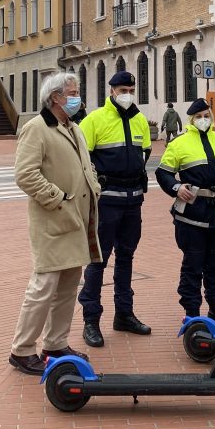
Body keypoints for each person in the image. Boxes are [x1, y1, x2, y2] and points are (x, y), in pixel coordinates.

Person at [8, 72, 101, 375]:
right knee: (44, 285)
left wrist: (93, 186)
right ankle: (22, 350)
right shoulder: (36, 129)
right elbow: (25, 174)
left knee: (69, 285)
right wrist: (57, 198)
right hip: (53, 219)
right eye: (72, 93)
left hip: (77, 221)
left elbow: (86, 165)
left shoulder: (73, 128)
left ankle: (55, 342)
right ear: (55, 98)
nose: (78, 97)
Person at [77, 70, 152, 348]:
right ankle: (91, 321)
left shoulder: (140, 119)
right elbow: (82, 159)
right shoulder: (95, 119)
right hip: (106, 202)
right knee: (98, 260)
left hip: (133, 201)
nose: (127, 94)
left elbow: (144, 154)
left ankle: (124, 314)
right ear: (111, 92)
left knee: (127, 258)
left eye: (130, 89)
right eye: (122, 89)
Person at [155, 98, 215, 326]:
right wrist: (176, 187)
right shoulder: (179, 144)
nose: (203, 120)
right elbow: (163, 173)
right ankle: (192, 312)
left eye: (206, 116)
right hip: (192, 215)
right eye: (198, 117)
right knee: (192, 265)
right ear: (191, 120)